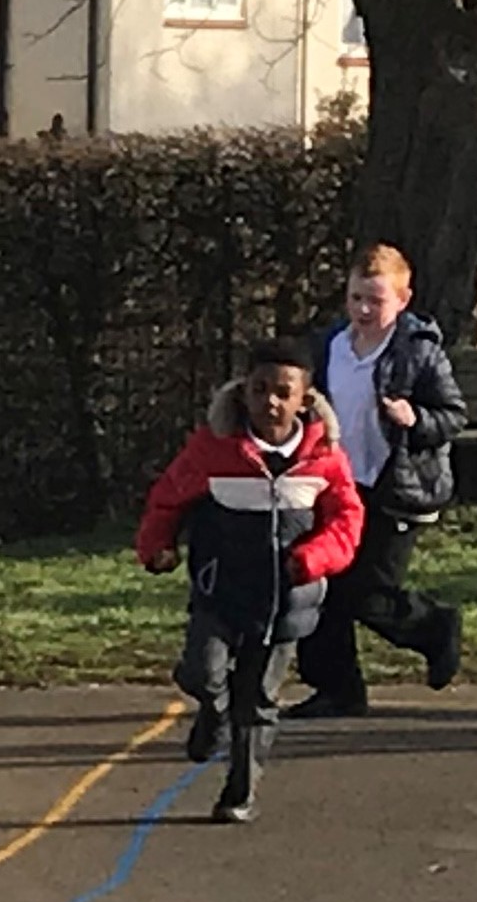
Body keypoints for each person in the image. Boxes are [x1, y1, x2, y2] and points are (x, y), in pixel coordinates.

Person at [135, 340, 366, 824]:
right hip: (221, 589)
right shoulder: (214, 449)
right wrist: (158, 546)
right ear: (243, 393)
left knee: (258, 699)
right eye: (260, 390)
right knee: (202, 672)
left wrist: (312, 559)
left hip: (287, 598)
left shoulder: (324, 457)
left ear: (305, 398)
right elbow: (168, 499)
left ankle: (239, 792)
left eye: (284, 392)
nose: (271, 403)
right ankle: (213, 712)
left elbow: (346, 520)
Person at [293, 241, 468, 715]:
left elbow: (453, 415)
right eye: (356, 299)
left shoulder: (419, 352)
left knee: (368, 592)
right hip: (339, 486)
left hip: (398, 489)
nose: (365, 310)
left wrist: (415, 419)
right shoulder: (329, 348)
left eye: (377, 300)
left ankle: (434, 628)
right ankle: (337, 689)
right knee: (323, 583)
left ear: (403, 300)